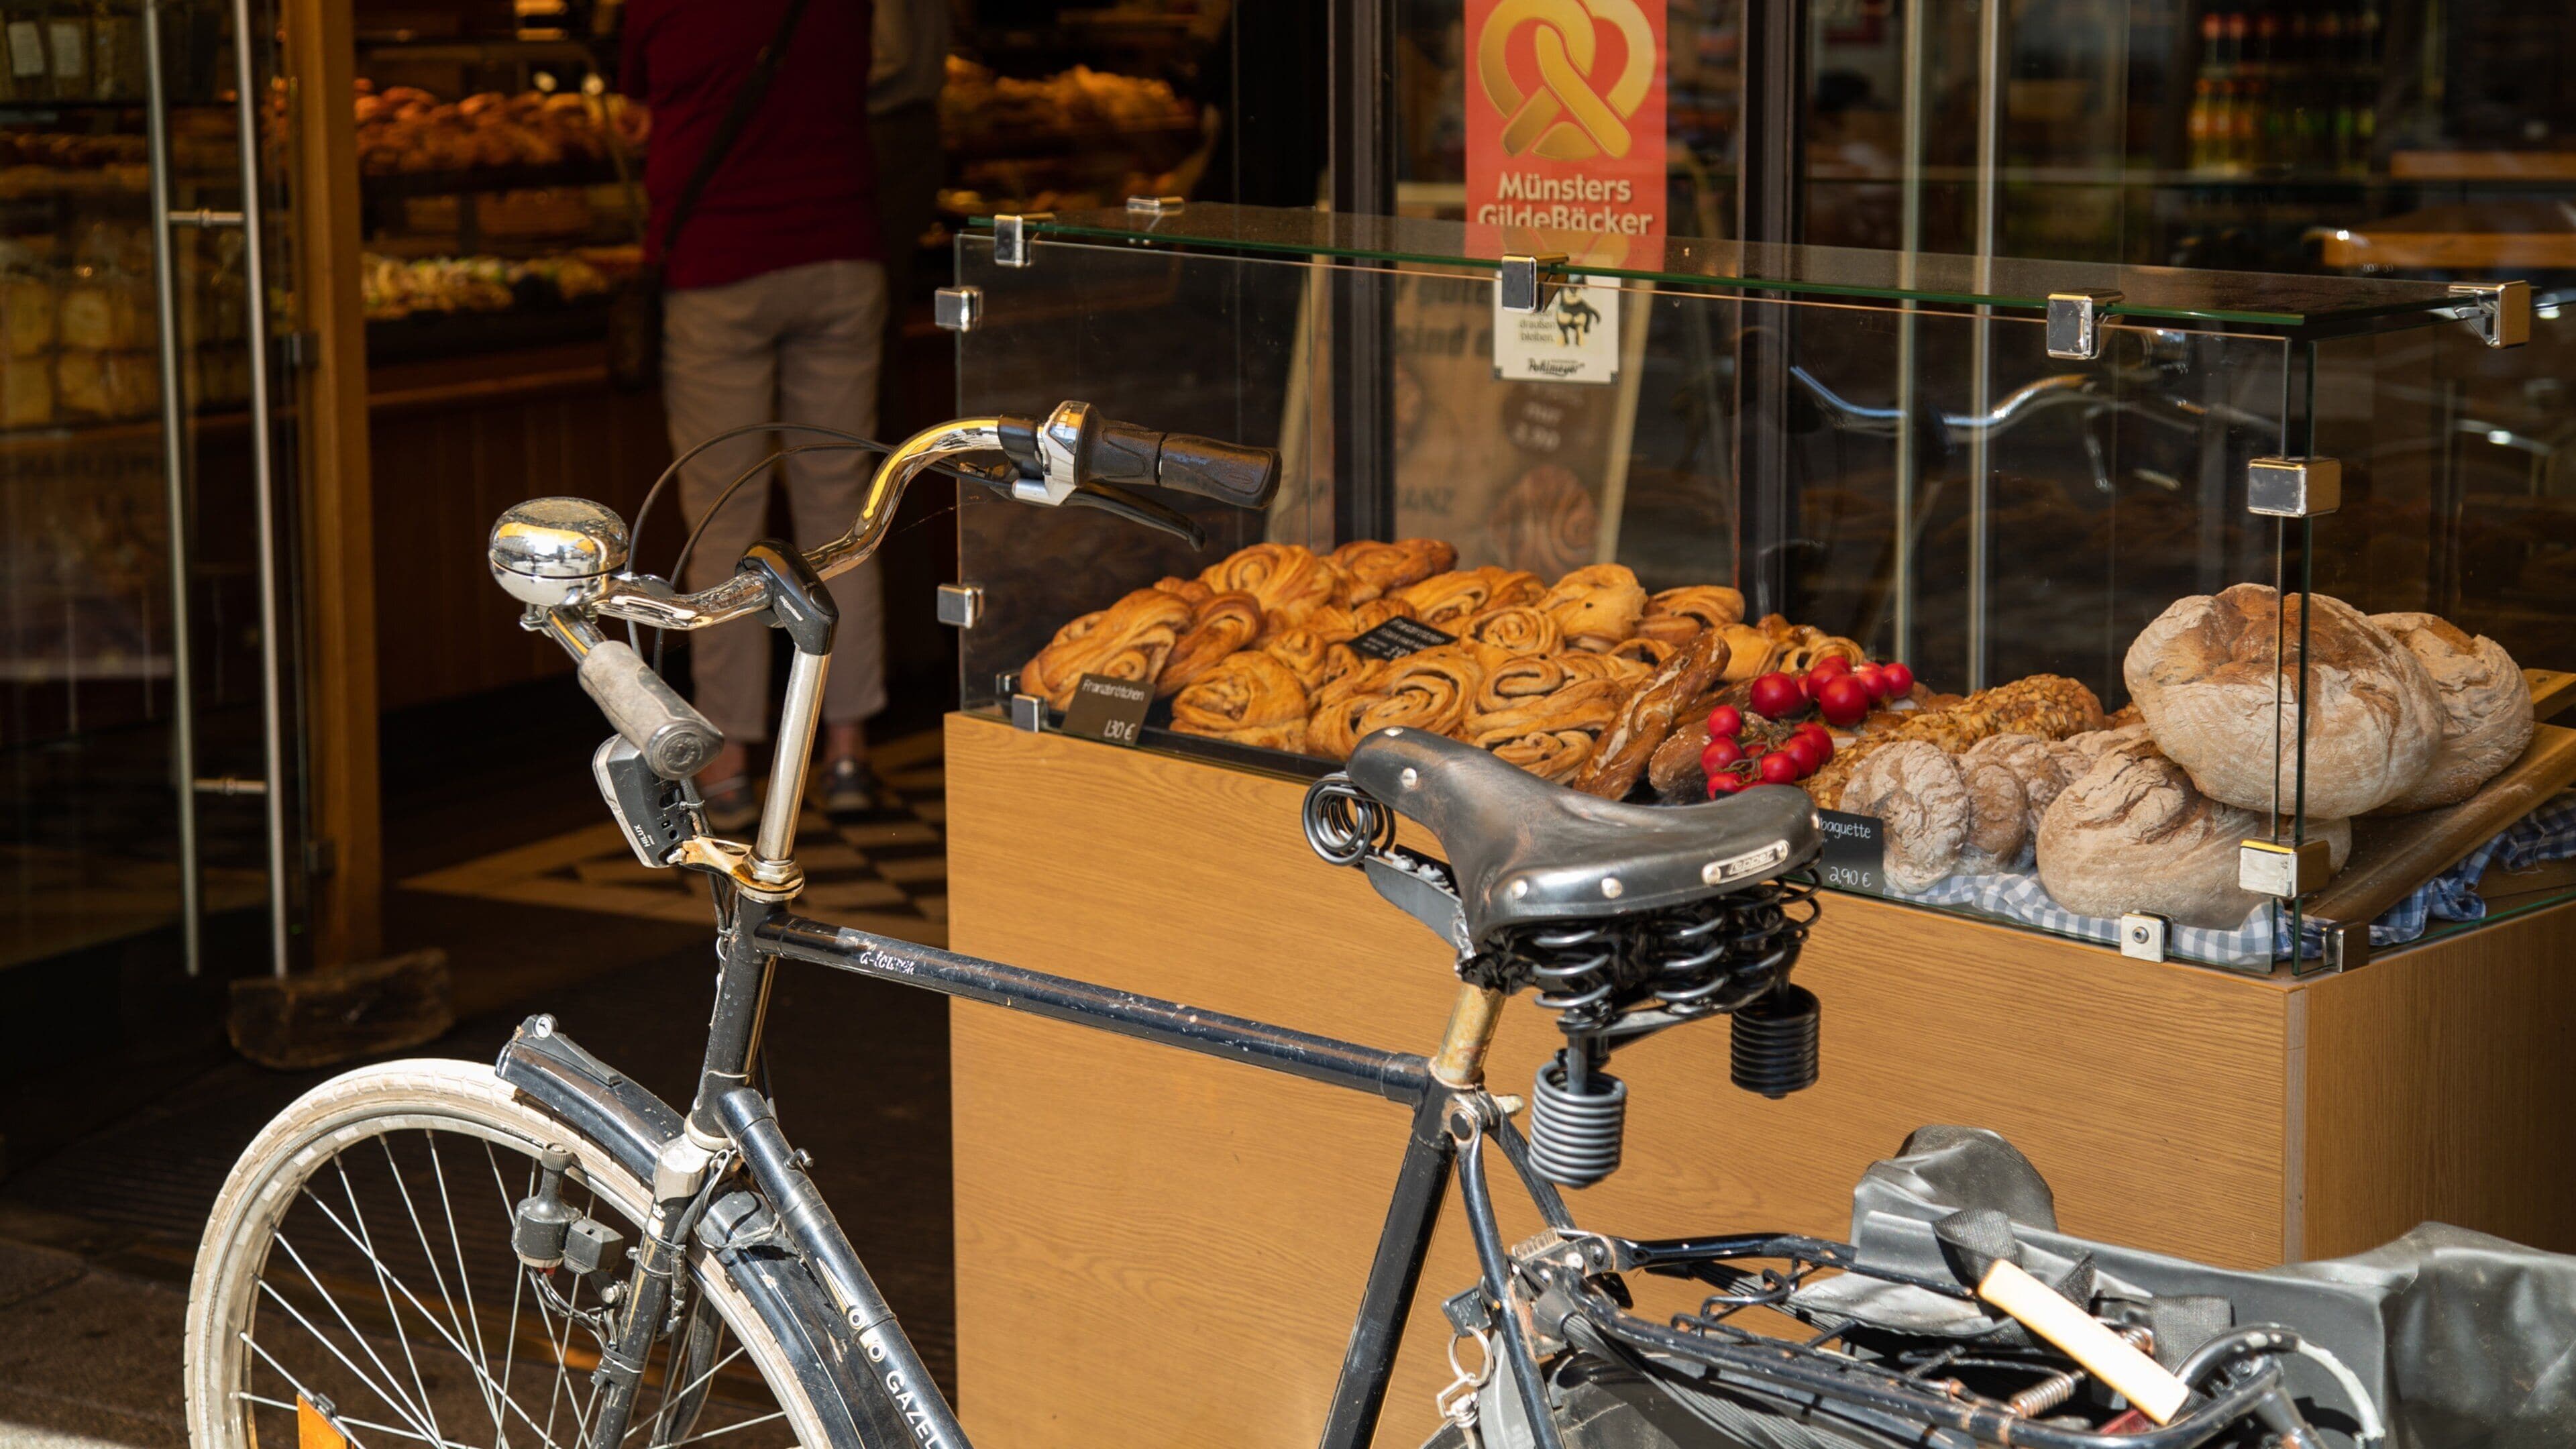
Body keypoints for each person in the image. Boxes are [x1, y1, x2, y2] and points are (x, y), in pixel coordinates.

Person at [623, 0, 888, 828]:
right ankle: (844, 749)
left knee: (724, 512)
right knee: (845, 512)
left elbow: (636, 112)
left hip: (720, 263)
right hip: (841, 252)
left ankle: (731, 753)